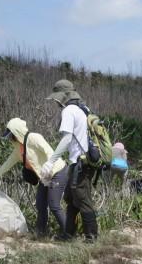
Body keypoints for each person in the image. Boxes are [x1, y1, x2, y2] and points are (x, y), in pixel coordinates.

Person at [0, 118, 68, 239]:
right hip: (44, 178)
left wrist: (49, 168)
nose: (11, 139)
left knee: (53, 204)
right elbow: (6, 165)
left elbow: (49, 152)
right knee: (40, 204)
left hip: (57, 171)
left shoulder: (34, 137)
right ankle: (40, 235)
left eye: (12, 135)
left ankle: (68, 233)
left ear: (17, 132)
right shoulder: (19, 150)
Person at [41, 79, 99, 242]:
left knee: (82, 198)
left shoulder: (69, 110)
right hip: (82, 161)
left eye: (56, 98)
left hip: (81, 162)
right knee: (71, 198)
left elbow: (66, 139)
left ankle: (91, 238)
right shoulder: (83, 109)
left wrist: (51, 161)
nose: (55, 101)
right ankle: (68, 235)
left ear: (63, 96)